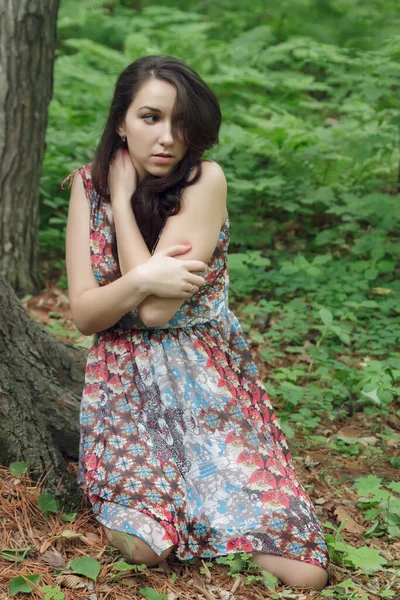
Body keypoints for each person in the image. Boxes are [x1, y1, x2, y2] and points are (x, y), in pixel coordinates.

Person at [62, 55, 330, 590]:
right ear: (121, 121)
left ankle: (214, 519)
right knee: (146, 548)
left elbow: (160, 314)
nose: (166, 137)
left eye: (180, 123)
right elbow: (87, 315)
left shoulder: (205, 180)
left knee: (305, 575)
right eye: (150, 117)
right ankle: (177, 518)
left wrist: (131, 256)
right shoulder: (86, 188)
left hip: (204, 385)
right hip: (126, 390)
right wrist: (121, 216)